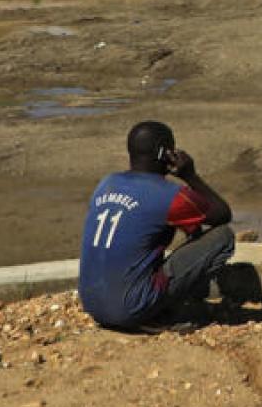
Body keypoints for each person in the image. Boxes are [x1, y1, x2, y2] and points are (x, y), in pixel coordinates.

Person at [78, 120, 234, 330]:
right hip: (129, 309)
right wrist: (190, 175)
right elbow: (222, 214)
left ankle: (151, 304)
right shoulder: (169, 195)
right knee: (223, 237)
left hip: (93, 304)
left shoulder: (107, 183)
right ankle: (163, 312)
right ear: (164, 153)